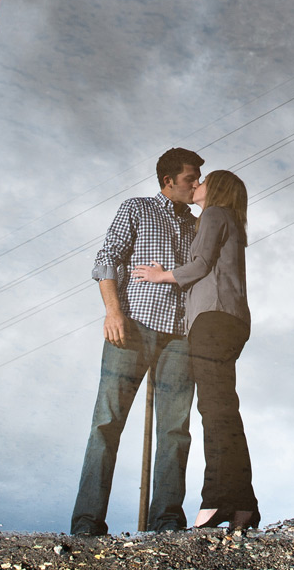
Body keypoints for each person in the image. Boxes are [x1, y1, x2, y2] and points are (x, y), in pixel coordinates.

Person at [70, 147, 204, 535]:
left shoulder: (199, 224)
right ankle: (86, 522)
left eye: (198, 178)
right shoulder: (137, 208)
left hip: (180, 336)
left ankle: (166, 520)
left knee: (176, 429)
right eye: (189, 178)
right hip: (133, 327)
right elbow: (108, 258)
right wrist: (113, 312)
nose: (195, 184)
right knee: (107, 421)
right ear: (168, 181)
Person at [132, 169, 259, 530]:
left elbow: (201, 264)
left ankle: (218, 499)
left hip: (213, 321)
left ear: (215, 189)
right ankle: (244, 505)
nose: (196, 186)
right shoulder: (231, 220)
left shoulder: (215, 214)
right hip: (231, 320)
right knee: (223, 409)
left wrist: (161, 276)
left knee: (215, 410)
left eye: (202, 181)